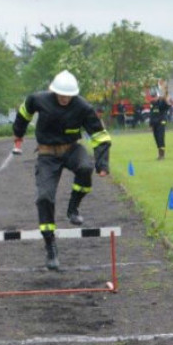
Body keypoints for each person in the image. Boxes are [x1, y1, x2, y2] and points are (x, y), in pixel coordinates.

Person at [12, 70, 108, 271]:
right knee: (44, 198)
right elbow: (23, 113)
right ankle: (51, 247)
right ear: (54, 92)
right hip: (47, 154)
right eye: (61, 95)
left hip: (72, 148)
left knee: (84, 168)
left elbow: (100, 136)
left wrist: (102, 164)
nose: (65, 99)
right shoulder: (38, 100)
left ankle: (73, 208)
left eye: (69, 96)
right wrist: (18, 135)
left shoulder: (83, 107)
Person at [148, 86, 169, 160]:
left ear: (158, 95)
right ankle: (159, 153)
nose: (154, 98)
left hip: (161, 122)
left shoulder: (162, 102)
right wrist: (150, 124)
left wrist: (165, 94)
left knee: (160, 138)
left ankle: (162, 154)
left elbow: (167, 105)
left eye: (155, 96)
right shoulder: (152, 103)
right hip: (154, 123)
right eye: (153, 97)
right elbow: (151, 114)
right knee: (156, 138)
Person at [92, 107, 112, 176]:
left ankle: (104, 170)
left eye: (101, 114)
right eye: (99, 113)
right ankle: (100, 170)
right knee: (97, 156)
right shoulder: (92, 119)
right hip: (96, 142)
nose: (100, 115)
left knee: (103, 156)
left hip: (104, 140)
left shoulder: (99, 120)